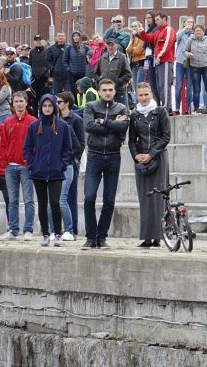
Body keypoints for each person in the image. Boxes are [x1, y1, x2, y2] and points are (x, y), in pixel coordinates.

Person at [81, 79, 130, 249]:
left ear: (115, 91)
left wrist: (102, 122)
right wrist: (112, 125)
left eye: (111, 89)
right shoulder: (91, 106)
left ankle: (101, 237)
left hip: (113, 156)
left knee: (109, 200)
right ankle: (90, 236)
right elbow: (88, 125)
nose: (108, 92)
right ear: (99, 91)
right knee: (89, 197)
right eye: (105, 90)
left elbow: (123, 127)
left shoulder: (121, 108)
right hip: (94, 155)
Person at [24, 94, 72, 247]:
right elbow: (27, 149)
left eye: (50, 106)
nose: (47, 108)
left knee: (55, 202)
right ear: (41, 107)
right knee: (42, 204)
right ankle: (45, 234)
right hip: (38, 172)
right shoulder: (33, 126)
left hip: (56, 172)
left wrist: (62, 164)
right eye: (44, 106)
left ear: (54, 107)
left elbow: (68, 148)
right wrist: (33, 164)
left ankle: (58, 233)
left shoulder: (62, 126)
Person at [128, 82, 170, 248]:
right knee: (145, 198)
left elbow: (166, 137)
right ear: (137, 96)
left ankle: (159, 237)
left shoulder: (160, 111)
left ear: (151, 94)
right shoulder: (135, 115)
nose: (144, 98)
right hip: (141, 159)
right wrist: (136, 155)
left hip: (158, 157)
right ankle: (146, 237)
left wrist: (151, 154)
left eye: (146, 94)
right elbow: (131, 140)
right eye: (141, 95)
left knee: (159, 197)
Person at [1, 91, 37, 241]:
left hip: (26, 166)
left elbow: (36, 144)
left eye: (21, 101)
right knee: (12, 200)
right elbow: (3, 144)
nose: (19, 104)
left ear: (26, 102)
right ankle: (13, 229)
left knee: (28, 199)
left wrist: (31, 162)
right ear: (13, 104)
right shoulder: (8, 122)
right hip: (10, 166)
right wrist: (5, 162)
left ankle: (28, 229)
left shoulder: (33, 122)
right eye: (16, 101)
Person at [134, 13, 177, 110]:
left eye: (157, 20)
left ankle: (166, 107)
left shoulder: (168, 30)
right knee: (159, 85)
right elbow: (149, 38)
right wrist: (141, 33)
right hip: (158, 61)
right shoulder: (158, 31)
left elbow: (167, 44)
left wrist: (160, 56)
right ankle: (163, 105)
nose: (156, 22)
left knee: (164, 85)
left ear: (164, 19)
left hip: (165, 60)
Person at [57, 92, 84, 240]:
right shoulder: (57, 119)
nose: (57, 104)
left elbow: (80, 144)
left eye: (59, 102)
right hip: (58, 164)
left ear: (66, 103)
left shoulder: (76, 120)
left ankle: (72, 229)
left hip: (71, 163)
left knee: (70, 198)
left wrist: (70, 158)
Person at [185, 23, 207, 111]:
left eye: (200, 30)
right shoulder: (190, 40)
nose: (198, 32)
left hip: (206, 66)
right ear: (194, 32)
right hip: (194, 67)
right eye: (196, 31)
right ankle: (196, 108)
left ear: (203, 31)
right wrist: (188, 54)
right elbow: (185, 51)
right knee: (196, 89)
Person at [92, 38, 132, 105]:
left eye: (112, 45)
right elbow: (95, 73)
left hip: (118, 91)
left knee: (121, 112)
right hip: (105, 92)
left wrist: (118, 82)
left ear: (116, 45)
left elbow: (128, 74)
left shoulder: (122, 57)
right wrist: (100, 80)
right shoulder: (103, 57)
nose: (110, 47)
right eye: (109, 45)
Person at [173, 17, 195, 114]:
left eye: (191, 22)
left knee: (190, 87)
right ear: (184, 23)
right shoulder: (181, 33)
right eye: (188, 22)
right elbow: (176, 37)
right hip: (180, 62)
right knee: (179, 86)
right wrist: (184, 29)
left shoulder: (194, 34)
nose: (190, 24)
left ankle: (186, 108)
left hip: (191, 63)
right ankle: (177, 108)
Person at [29, 34, 51, 111]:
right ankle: (35, 117)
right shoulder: (32, 52)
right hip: (35, 79)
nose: (38, 42)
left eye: (39, 40)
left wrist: (46, 73)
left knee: (44, 98)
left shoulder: (47, 51)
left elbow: (49, 64)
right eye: (36, 40)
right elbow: (30, 64)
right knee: (34, 99)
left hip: (44, 78)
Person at [126, 22, 147, 92]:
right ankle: (137, 101)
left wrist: (133, 50)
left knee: (139, 84)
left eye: (135, 26)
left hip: (142, 62)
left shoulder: (141, 36)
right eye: (132, 26)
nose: (133, 28)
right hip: (134, 63)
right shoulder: (133, 38)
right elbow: (128, 50)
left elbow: (138, 50)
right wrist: (133, 46)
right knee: (135, 86)